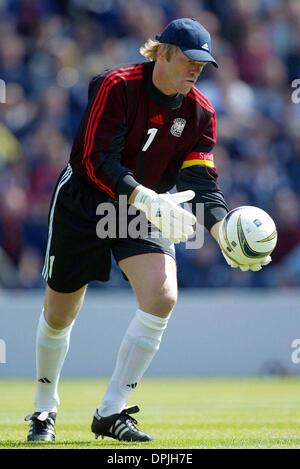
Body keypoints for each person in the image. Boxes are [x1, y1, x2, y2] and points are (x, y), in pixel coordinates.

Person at [25, 18, 271, 442]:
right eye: (190, 60)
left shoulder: (201, 113)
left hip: (145, 208)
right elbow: (93, 159)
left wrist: (222, 231)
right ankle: (44, 409)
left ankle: (111, 410)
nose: (196, 70)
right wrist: (144, 197)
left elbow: (201, 182)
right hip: (85, 203)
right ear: (163, 52)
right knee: (59, 312)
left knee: (162, 295)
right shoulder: (115, 85)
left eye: (203, 64)